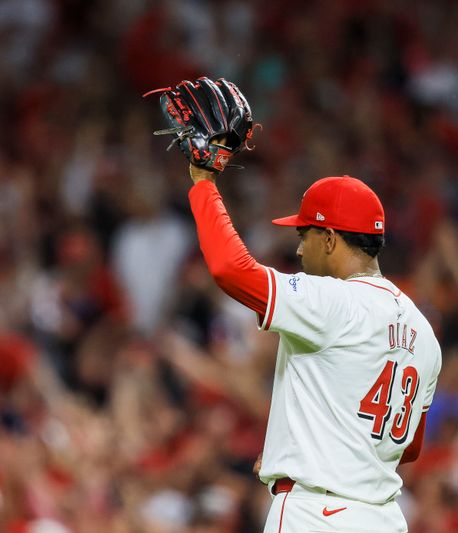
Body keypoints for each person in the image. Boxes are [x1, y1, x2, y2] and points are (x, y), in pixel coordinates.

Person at [186, 164, 441, 532]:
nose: (299, 248)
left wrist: (204, 184)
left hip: (315, 515)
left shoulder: (332, 300)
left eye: (305, 234)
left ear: (330, 239)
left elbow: (230, 269)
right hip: (383, 519)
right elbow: (409, 446)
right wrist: (299, 446)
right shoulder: (424, 331)